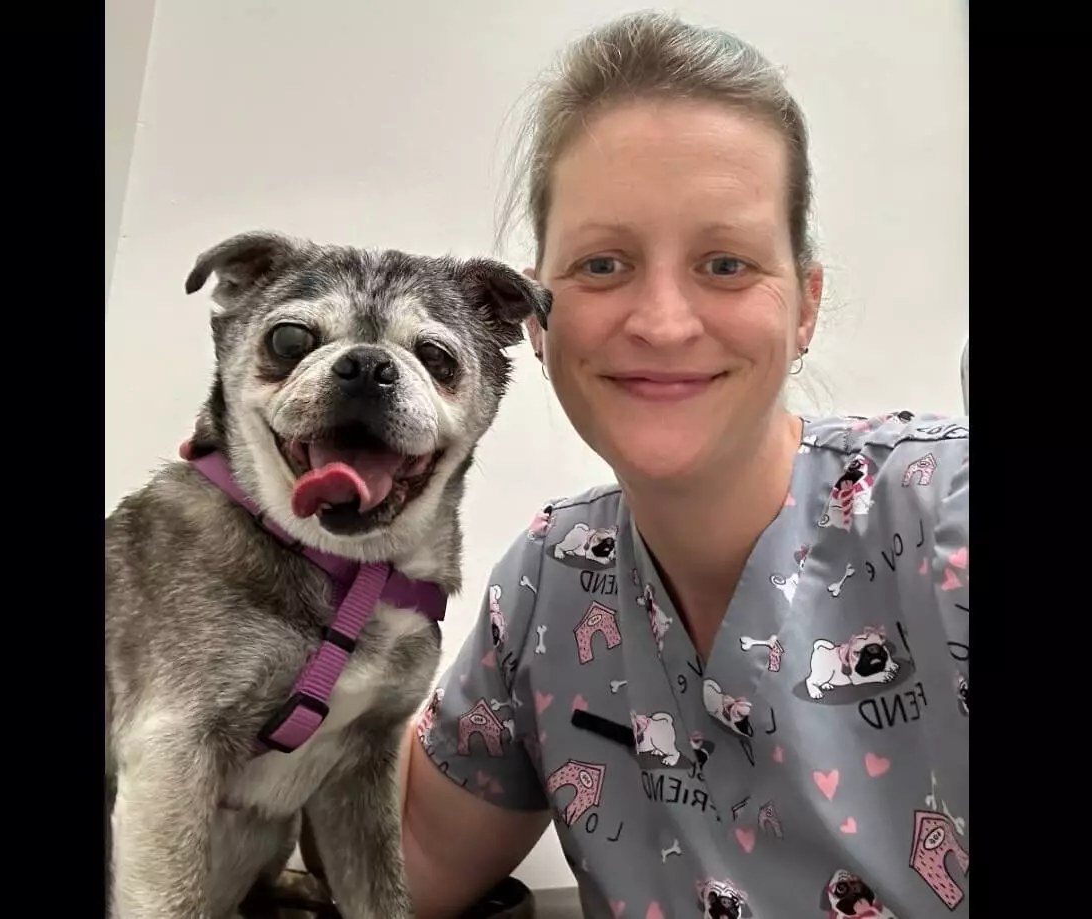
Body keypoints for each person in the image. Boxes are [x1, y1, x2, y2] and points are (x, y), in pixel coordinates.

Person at [397, 12, 970, 918]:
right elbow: (404, 861)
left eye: (726, 263)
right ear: (537, 320)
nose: (663, 322)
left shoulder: (945, 526)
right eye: (603, 263)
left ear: (806, 305)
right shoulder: (552, 582)